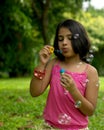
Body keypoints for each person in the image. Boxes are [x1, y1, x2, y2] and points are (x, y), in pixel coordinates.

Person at [30, 19, 99, 130]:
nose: (64, 43)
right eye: (60, 39)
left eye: (70, 38)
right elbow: (35, 92)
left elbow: (89, 111)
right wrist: (42, 64)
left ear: (81, 40)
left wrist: (73, 90)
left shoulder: (90, 72)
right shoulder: (53, 64)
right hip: (50, 127)